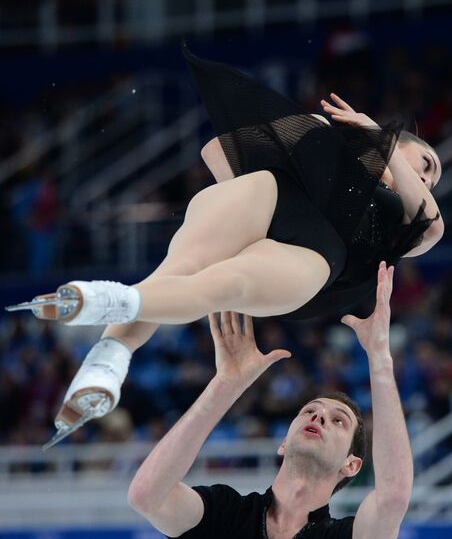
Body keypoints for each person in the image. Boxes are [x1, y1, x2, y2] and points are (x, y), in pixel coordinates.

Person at [6, 50, 443, 447]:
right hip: (269, 200)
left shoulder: (410, 220)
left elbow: (433, 225)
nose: (427, 179)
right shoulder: (325, 135)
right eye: (425, 163)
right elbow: (219, 151)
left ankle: (112, 304)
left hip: (317, 256)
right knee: (181, 268)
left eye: (434, 179)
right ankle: (105, 361)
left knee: (221, 283)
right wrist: (312, 149)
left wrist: (375, 140)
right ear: (401, 141)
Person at [127, 262, 413, 538]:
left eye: (339, 420)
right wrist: (226, 384)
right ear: (283, 443)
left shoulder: (344, 535)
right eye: (310, 410)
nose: (319, 416)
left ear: (351, 465)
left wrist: (379, 359)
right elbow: (147, 495)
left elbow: (393, 499)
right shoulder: (225, 513)